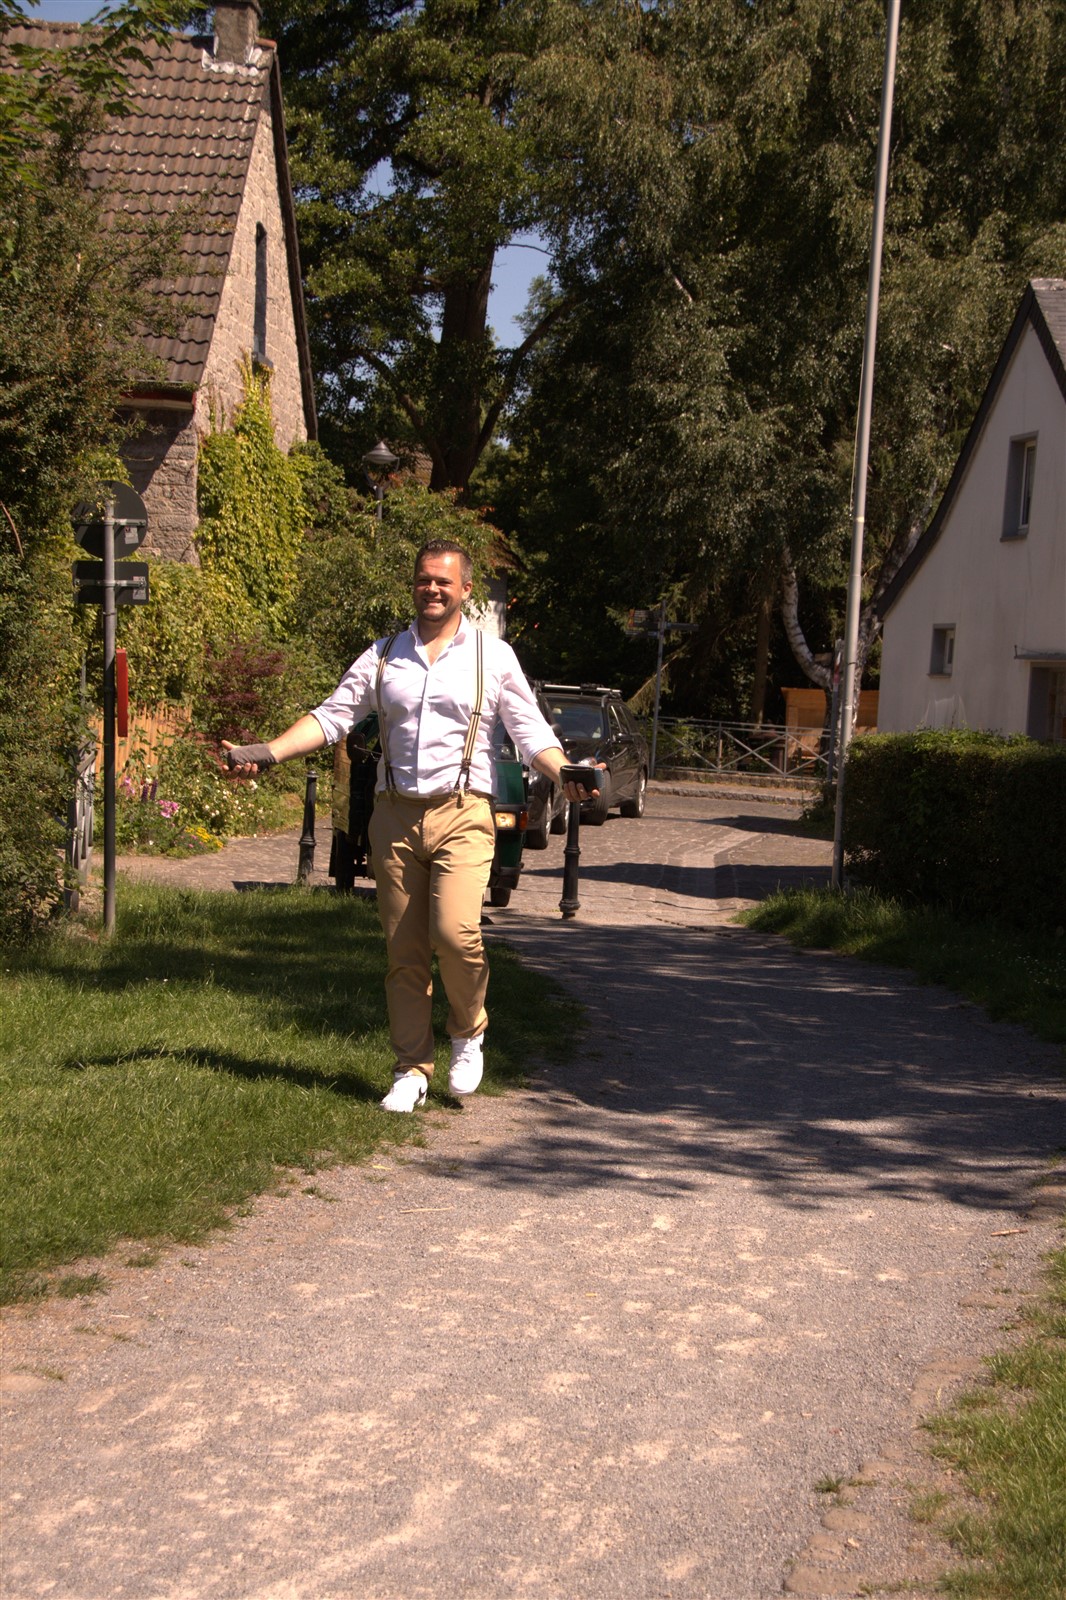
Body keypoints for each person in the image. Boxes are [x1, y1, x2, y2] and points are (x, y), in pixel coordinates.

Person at [224, 539, 595, 1113]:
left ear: (465, 589)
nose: (432, 589)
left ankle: (468, 1030)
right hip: (394, 814)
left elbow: (530, 732)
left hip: (463, 811)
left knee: (455, 933)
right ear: (414, 584)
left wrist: (564, 771)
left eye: (444, 581)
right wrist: (268, 752)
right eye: (424, 579)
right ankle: (411, 1069)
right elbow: (332, 717)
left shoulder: (493, 657)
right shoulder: (384, 655)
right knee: (404, 952)